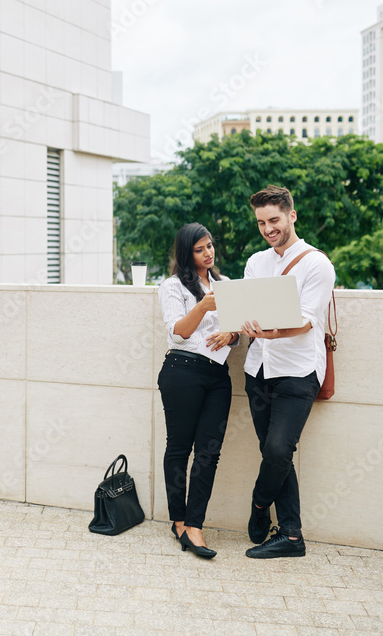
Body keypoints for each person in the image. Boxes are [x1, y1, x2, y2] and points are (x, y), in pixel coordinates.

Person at [241, 185, 335, 559]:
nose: (268, 228)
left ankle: (260, 503)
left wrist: (273, 331)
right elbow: (245, 306)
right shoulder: (255, 263)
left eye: (274, 220)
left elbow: (308, 321)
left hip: (298, 370)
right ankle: (292, 536)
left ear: (292, 216)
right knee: (272, 452)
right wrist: (238, 326)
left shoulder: (317, 264)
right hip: (258, 368)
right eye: (262, 222)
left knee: (279, 449)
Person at [157, 223, 238, 559]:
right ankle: (179, 520)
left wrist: (230, 335)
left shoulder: (226, 285)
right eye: (200, 249)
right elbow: (178, 332)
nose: (209, 253)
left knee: (209, 452)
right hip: (182, 370)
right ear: (186, 253)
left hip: (218, 375)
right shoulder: (172, 286)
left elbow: (239, 326)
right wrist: (204, 305)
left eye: (210, 246)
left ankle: (195, 525)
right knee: (179, 447)